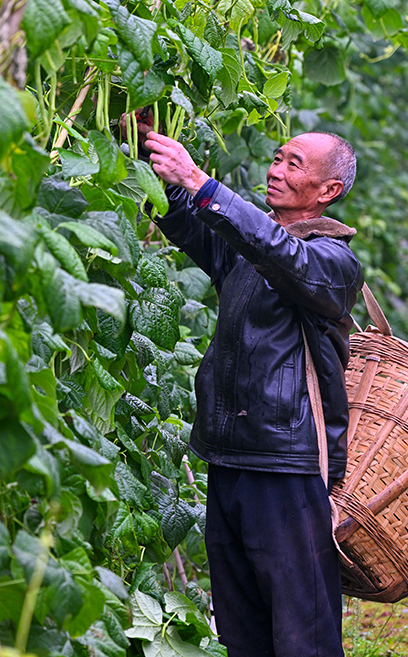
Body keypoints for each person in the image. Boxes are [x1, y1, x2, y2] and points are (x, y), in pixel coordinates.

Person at [139, 122, 364, 657]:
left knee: (300, 629)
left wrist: (200, 180)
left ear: (327, 191)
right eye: (277, 157)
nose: (275, 170)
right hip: (231, 457)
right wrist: (150, 148)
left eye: (294, 164)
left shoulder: (333, 264)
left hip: (287, 465)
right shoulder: (247, 248)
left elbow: (281, 256)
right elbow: (188, 222)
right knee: (240, 626)